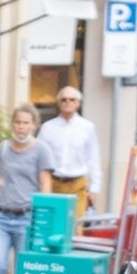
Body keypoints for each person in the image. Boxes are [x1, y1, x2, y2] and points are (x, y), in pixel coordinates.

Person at [33, 81, 101, 235]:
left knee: (76, 228)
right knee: (53, 227)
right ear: (58, 103)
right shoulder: (48, 128)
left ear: (78, 104)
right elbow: (40, 157)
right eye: (64, 100)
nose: (68, 103)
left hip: (78, 184)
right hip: (54, 182)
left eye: (72, 100)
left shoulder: (87, 127)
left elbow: (93, 158)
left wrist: (95, 187)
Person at [0, 104, 41, 274]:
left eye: (25, 123)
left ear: (34, 125)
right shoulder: (3, 148)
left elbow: (45, 184)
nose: (21, 127)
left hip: (27, 217)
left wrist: (41, 218)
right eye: (17, 122)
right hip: (2, 217)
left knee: (23, 273)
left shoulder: (41, 149)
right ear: (12, 124)